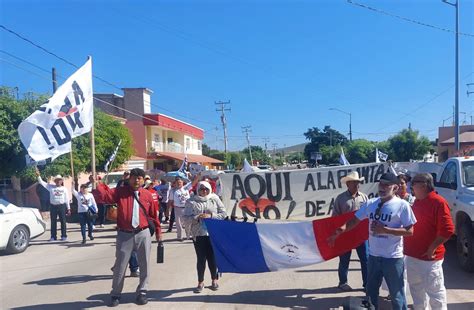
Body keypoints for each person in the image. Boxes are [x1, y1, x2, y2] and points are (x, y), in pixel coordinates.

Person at [328, 172, 417, 310]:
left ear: (395, 187)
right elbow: (354, 221)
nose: (382, 187)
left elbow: (410, 231)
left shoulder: (402, 205)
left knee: (397, 295)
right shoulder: (371, 203)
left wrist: (385, 230)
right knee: (370, 294)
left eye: (386, 185)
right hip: (374, 257)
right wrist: (340, 230)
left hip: (393, 258)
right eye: (380, 184)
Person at [96, 168, 161, 307]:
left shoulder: (148, 195)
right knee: (120, 266)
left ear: (143, 180)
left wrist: (159, 232)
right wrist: (99, 183)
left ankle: (142, 292)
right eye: (134, 177)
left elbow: (153, 216)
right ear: (129, 179)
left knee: (144, 265)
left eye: (139, 178)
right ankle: (115, 294)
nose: (136, 180)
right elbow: (105, 196)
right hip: (124, 234)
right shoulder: (120, 192)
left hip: (143, 233)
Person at [404, 173, 454, 310]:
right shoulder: (418, 201)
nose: (411, 186)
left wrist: (432, 248)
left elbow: (448, 229)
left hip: (429, 259)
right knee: (416, 290)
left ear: (423, 185)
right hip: (413, 256)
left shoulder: (438, 202)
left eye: (413, 183)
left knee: (435, 293)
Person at [184, 181, 227, 293]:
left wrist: (211, 215)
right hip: (198, 234)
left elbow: (223, 214)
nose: (204, 191)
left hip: (213, 234)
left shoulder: (214, 199)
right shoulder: (191, 201)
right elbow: (185, 218)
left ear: (210, 189)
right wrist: (197, 217)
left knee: (212, 258)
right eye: (201, 189)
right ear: (197, 189)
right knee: (201, 259)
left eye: (206, 189)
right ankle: (200, 282)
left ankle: (214, 280)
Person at [332, 171, 368, 291]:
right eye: (354, 182)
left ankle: (367, 283)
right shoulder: (340, 199)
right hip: (345, 234)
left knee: (366, 259)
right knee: (344, 259)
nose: (357, 184)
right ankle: (342, 282)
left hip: (361, 235)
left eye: (358, 182)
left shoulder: (364, 197)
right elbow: (335, 217)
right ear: (348, 184)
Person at [36, 168, 71, 241]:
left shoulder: (64, 189)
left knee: (63, 221)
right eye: (56, 180)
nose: (58, 181)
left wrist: (68, 208)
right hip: (53, 206)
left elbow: (67, 199)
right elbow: (41, 182)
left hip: (62, 206)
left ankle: (64, 236)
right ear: (55, 181)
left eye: (59, 180)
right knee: (53, 222)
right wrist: (38, 175)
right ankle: (53, 236)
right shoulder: (50, 187)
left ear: (61, 181)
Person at [169, 176, 192, 241]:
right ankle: (179, 237)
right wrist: (168, 210)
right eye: (177, 182)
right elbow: (170, 201)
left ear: (182, 182)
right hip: (177, 208)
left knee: (188, 223)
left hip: (187, 208)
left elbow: (193, 182)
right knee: (178, 224)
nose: (179, 183)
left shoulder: (186, 188)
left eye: (180, 182)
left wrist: (198, 176)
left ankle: (188, 235)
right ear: (175, 183)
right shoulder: (173, 191)